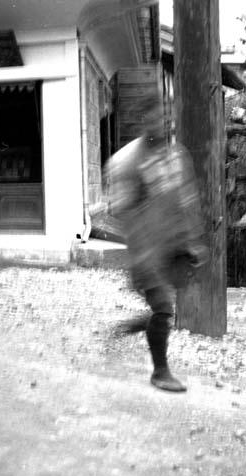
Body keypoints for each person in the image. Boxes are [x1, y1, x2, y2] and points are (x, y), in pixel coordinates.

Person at [99, 96, 206, 392]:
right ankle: (160, 372)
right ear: (143, 121)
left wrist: (192, 240)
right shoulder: (128, 162)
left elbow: (187, 200)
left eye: (167, 116)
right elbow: (123, 212)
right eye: (156, 117)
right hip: (145, 248)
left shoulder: (177, 156)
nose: (163, 122)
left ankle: (141, 324)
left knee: (163, 308)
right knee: (163, 307)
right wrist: (142, 250)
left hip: (172, 246)